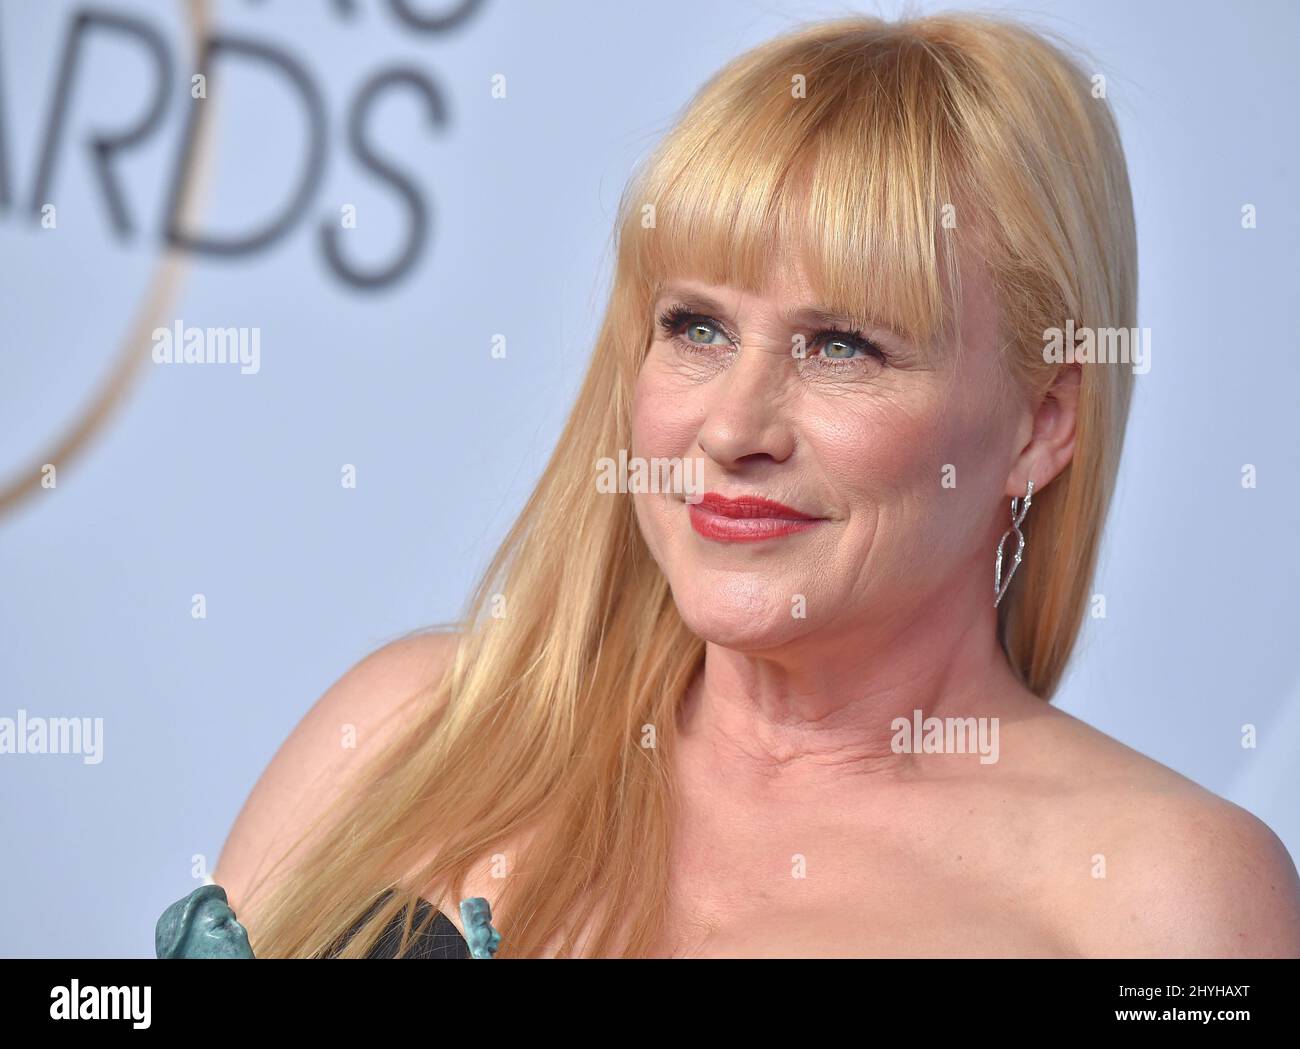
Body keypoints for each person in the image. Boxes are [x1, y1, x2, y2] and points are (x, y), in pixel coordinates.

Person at [211, 13, 1300, 958]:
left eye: (842, 347)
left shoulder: (1164, 898)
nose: (731, 427)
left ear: (1041, 423)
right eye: (696, 327)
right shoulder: (407, 730)